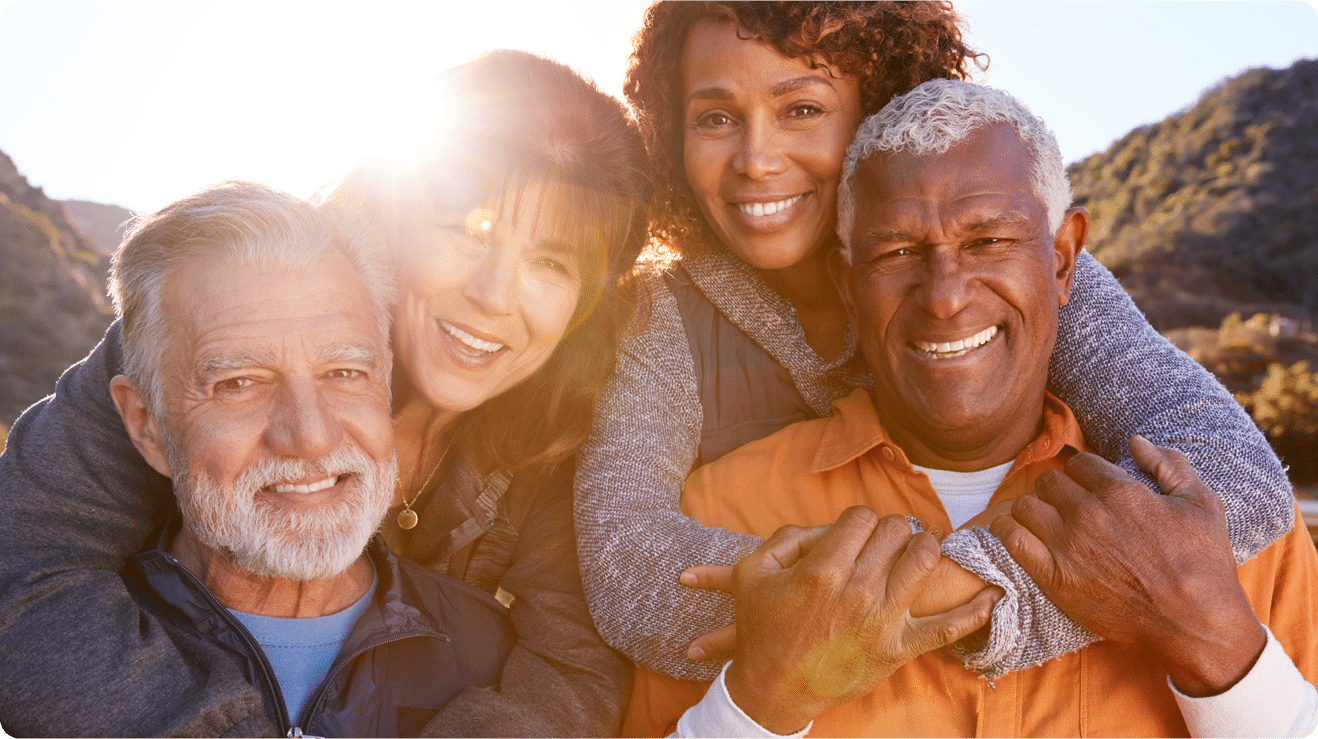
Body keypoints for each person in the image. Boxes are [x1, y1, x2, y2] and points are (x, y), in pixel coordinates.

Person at [575, 0, 1295, 683]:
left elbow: (1232, 475)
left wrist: (939, 589)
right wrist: (976, 591)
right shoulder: (662, 318)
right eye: (715, 118)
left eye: (801, 109)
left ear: (876, 109)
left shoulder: (1010, 264)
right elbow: (624, 565)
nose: (756, 158)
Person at [0, 50, 649, 737]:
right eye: (469, 228)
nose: (492, 294)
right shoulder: (212, 320)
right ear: (388, 214)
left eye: (550, 261)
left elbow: (575, 663)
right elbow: (20, 564)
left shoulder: (567, 432)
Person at [108, 181, 515, 737]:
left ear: (386, 382)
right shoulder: (45, 654)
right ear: (146, 426)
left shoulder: (493, 655)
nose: (312, 437)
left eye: (345, 373)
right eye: (239, 382)